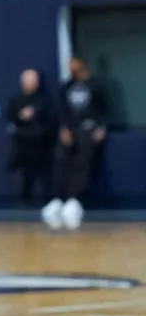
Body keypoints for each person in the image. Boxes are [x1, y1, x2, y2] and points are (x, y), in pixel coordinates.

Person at [42, 56, 107, 230]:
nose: (70, 67)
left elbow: (104, 109)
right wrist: (63, 128)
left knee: (82, 162)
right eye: (69, 64)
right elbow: (61, 111)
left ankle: (75, 200)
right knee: (60, 160)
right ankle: (57, 199)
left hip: (88, 129)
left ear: (82, 64)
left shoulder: (96, 85)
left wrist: (101, 128)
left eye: (73, 63)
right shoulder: (66, 87)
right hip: (70, 130)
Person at [5, 68, 56, 205]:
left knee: (43, 174)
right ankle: (25, 200)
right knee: (24, 174)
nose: (28, 84)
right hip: (22, 141)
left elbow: (51, 120)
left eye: (31, 81)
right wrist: (20, 117)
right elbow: (10, 118)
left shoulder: (44, 100)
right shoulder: (16, 99)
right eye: (25, 81)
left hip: (41, 143)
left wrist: (41, 131)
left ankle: (48, 200)